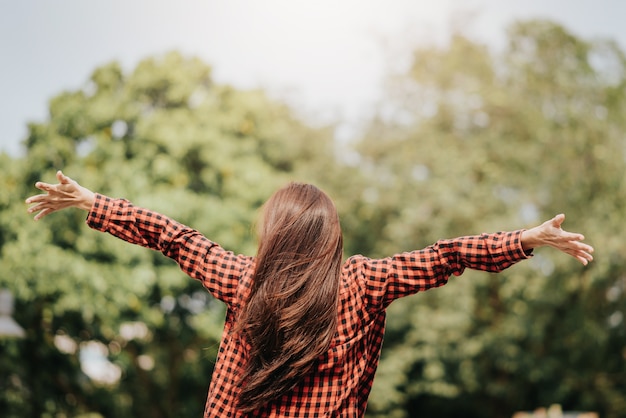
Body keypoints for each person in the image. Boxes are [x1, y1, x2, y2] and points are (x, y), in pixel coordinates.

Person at [26, 170, 594, 417]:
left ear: (275, 232)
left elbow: (175, 237)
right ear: (330, 237)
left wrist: (95, 203)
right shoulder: (363, 283)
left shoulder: (245, 280)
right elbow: (444, 257)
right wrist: (522, 239)